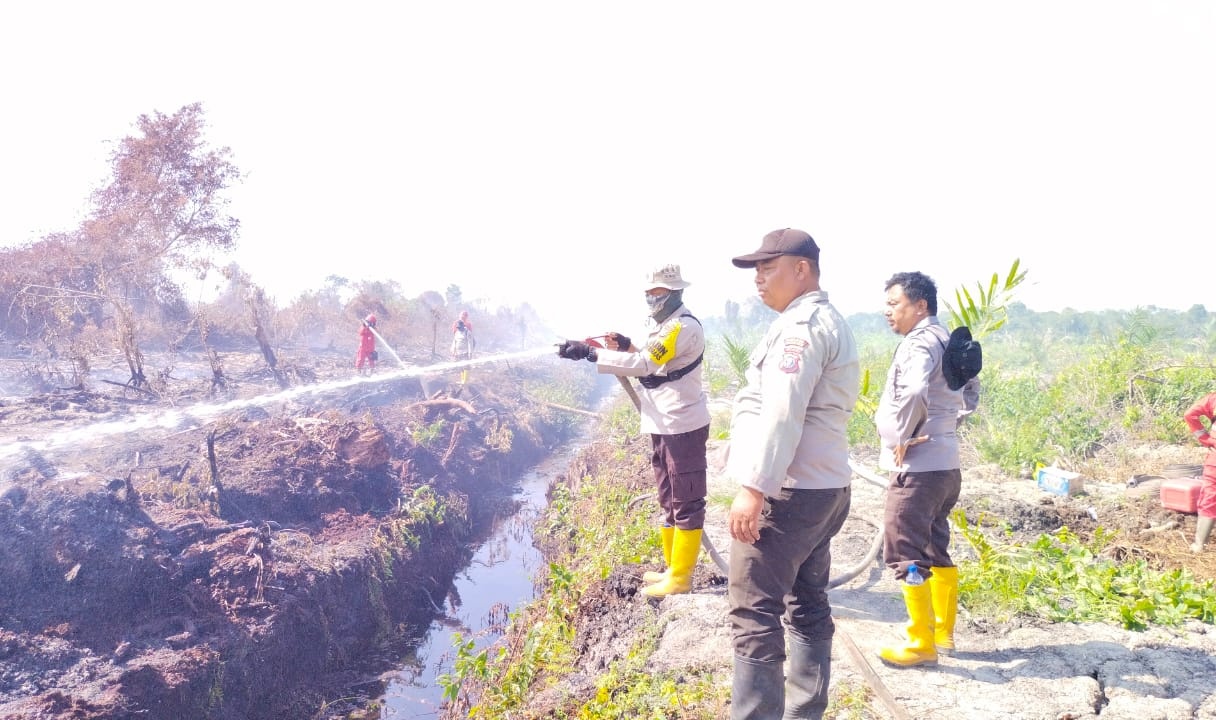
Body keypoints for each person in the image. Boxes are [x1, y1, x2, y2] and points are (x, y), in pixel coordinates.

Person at [724, 229, 859, 720]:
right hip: (823, 488)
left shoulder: (800, 329)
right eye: (756, 270)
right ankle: (805, 711)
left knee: (754, 610)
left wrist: (754, 488)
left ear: (801, 270)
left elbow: (783, 413)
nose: (758, 279)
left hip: (790, 491)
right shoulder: (824, 320)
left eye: (768, 268)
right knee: (806, 601)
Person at [556, 264, 711, 599]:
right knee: (668, 496)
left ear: (675, 293)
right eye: (649, 292)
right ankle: (672, 568)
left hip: (682, 425)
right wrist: (626, 346)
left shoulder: (681, 327)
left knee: (686, 498)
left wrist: (591, 353)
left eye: (658, 292)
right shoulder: (663, 327)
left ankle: (681, 578)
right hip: (662, 422)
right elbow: (645, 357)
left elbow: (645, 365)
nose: (651, 298)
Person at [874, 271, 965, 668]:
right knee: (934, 544)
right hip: (946, 465)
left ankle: (919, 641)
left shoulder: (919, 342)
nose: (887, 311)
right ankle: (942, 632)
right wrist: (945, 428)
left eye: (894, 304)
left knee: (905, 550)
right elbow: (970, 391)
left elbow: (912, 391)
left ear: (920, 305)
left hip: (918, 468)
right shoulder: (949, 339)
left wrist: (904, 436)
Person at [1183, 392, 1216, 553]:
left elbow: (1190, 415)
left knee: (1210, 498)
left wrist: (1206, 439)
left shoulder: (1213, 399)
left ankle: (1199, 545)